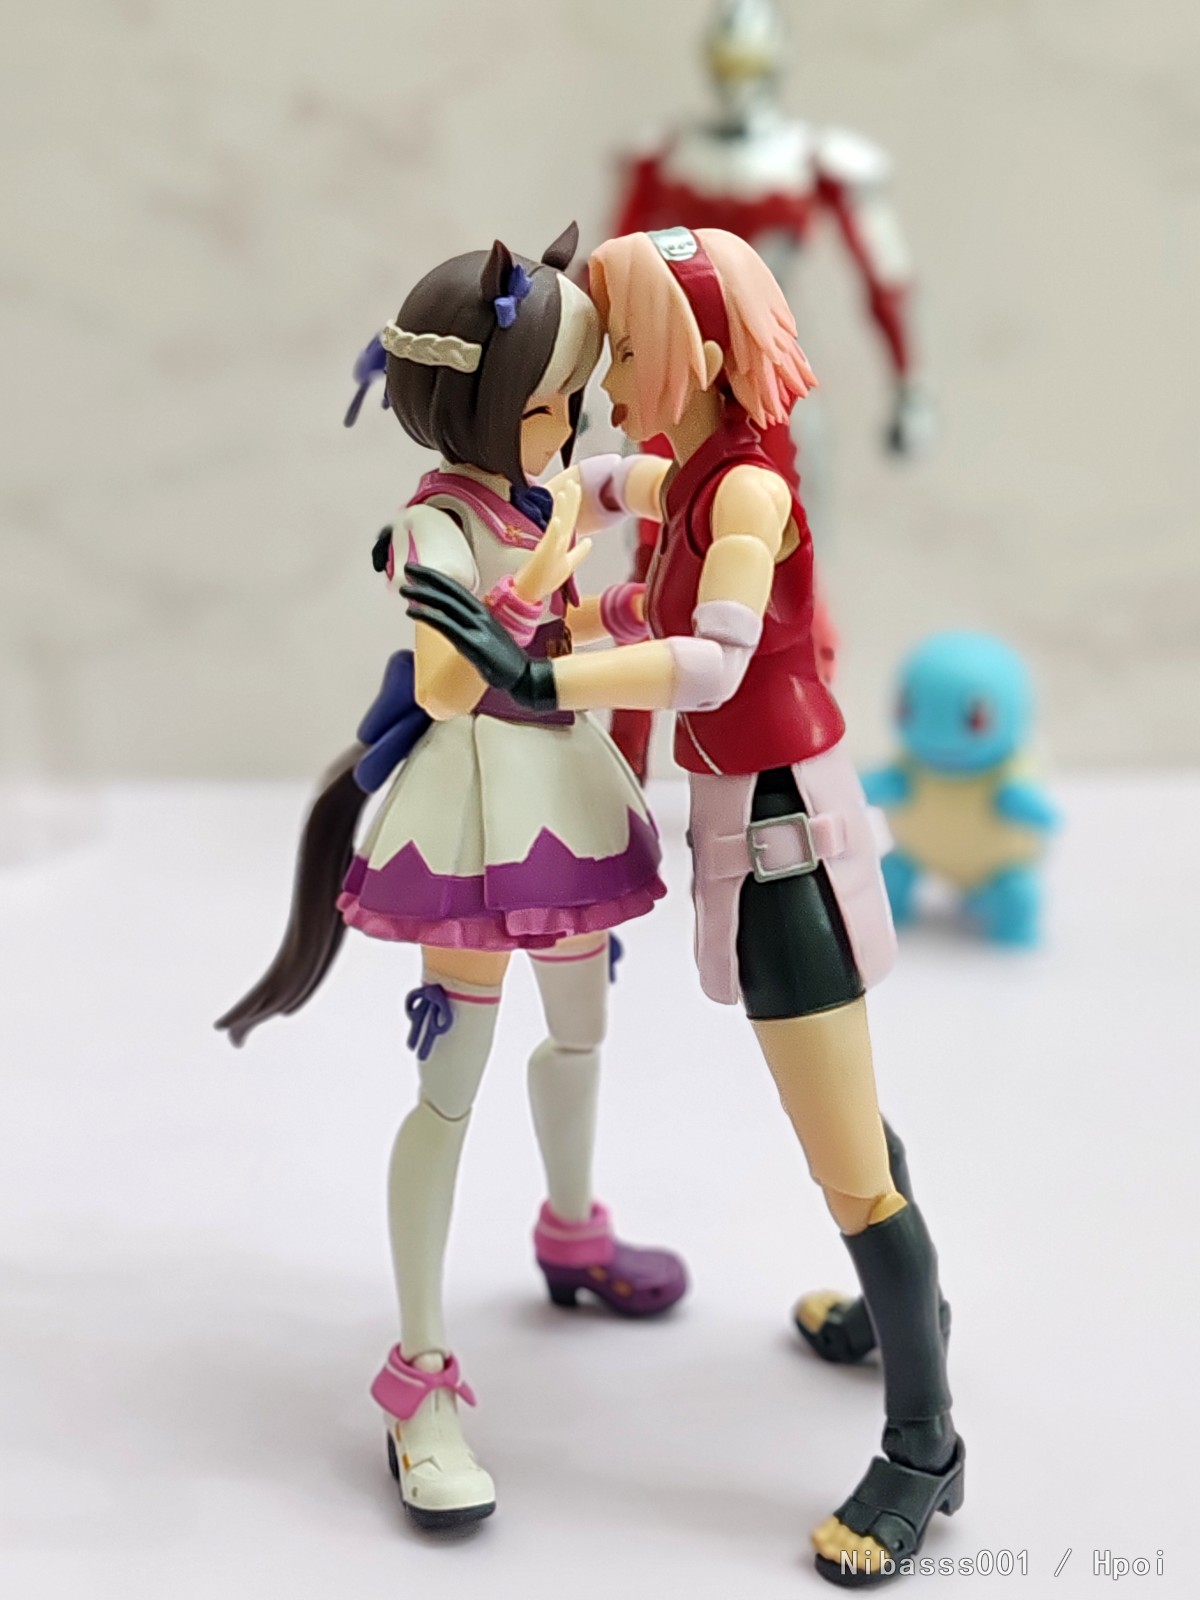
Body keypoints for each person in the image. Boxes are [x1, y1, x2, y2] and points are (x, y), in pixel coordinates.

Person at [402, 224, 963, 1585]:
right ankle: (907, 1314)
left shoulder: (749, 492)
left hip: (786, 846)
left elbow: (709, 663)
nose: (610, 382)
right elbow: (613, 511)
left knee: (846, 1155)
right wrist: (548, 589)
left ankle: (924, 1444)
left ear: (694, 354)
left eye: (629, 353)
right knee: (848, 1119)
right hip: (743, 831)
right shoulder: (700, 470)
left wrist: (538, 678)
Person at [217, 224, 686, 1532]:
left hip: (564, 796)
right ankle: (417, 1379)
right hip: (476, 815)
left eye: (573, 404)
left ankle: (573, 1233)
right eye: (548, 407)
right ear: (478, 405)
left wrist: (666, 551)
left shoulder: (546, 488)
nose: (568, 430)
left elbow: (615, 528)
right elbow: (444, 681)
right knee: (451, 1088)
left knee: (583, 1029)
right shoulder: (433, 526)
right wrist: (547, 574)